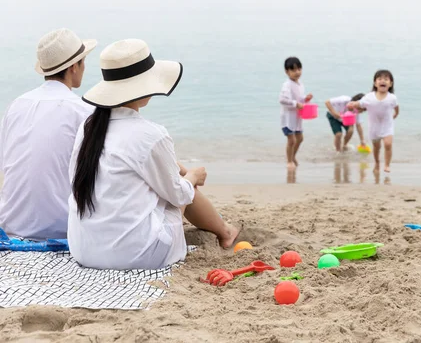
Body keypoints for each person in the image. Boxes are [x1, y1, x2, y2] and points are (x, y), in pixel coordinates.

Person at [68, 39, 239, 270]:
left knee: (161, 183)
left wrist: (180, 170)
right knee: (181, 188)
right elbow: (179, 195)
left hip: (84, 250)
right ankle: (226, 231)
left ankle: (225, 229)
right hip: (136, 256)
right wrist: (192, 177)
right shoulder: (151, 134)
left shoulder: (89, 127)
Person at [0, 28, 96, 240]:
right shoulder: (83, 111)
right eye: (83, 61)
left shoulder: (16, 106)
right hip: (63, 229)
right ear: (73, 67)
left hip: (11, 225)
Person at [348, 70, 399, 173]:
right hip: (374, 127)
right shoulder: (369, 97)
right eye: (380, 79)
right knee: (376, 147)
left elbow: (396, 107)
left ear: (390, 84)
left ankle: (387, 165)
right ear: (375, 83)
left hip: (387, 126)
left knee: (388, 144)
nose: (382, 81)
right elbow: (360, 103)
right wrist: (353, 104)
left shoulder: (392, 98)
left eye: (386, 79)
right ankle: (377, 163)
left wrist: (396, 114)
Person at [278, 57, 312, 170]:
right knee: (291, 140)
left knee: (300, 138)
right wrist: (295, 104)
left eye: (299, 69)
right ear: (287, 72)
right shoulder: (287, 85)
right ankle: (289, 161)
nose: (297, 72)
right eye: (293, 70)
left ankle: (293, 156)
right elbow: (282, 99)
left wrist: (305, 99)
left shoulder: (300, 84)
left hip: (298, 117)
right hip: (288, 118)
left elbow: (299, 98)